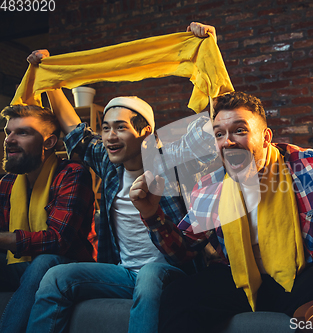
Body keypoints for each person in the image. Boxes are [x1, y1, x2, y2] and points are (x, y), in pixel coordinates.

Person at [130, 91, 313, 332]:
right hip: (240, 277)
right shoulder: (210, 186)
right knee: (179, 295)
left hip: (305, 271)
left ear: (266, 137)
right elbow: (183, 251)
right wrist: (152, 215)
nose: (227, 142)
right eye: (219, 134)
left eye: (239, 130)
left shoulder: (307, 167)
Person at [25, 23, 219, 333]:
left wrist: (208, 50)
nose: (110, 136)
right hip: (124, 273)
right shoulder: (108, 162)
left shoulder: (174, 164)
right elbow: (73, 129)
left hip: (172, 273)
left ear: (146, 133)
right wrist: (48, 78)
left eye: (121, 128)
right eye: (105, 127)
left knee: (150, 275)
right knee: (56, 277)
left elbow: (216, 126)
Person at [0, 104, 96, 333]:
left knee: (45, 261)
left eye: (22, 132)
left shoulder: (71, 174)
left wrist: (4, 239)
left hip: (65, 266)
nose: (9, 140)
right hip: (19, 265)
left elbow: (58, 241)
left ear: (49, 142)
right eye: (8, 132)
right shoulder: (7, 183)